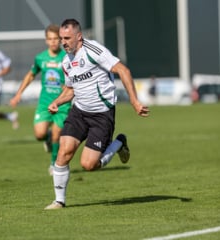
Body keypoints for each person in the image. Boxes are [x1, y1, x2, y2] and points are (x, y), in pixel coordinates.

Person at [45, 19, 150, 210]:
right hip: (79, 112)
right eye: (61, 38)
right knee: (64, 151)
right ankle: (59, 201)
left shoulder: (94, 51)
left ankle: (118, 143)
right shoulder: (66, 61)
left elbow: (123, 70)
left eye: (67, 38)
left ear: (79, 36)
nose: (63, 42)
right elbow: (70, 90)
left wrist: (134, 101)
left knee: (89, 165)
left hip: (101, 115)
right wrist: (57, 102)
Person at [10, 24, 71, 175]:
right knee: (39, 134)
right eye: (50, 39)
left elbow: (75, 77)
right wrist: (18, 94)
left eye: (56, 39)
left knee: (58, 134)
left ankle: (54, 164)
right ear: (46, 40)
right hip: (45, 102)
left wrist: (69, 87)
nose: (53, 42)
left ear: (60, 39)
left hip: (62, 103)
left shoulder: (67, 57)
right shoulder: (40, 58)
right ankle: (47, 138)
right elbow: (31, 74)